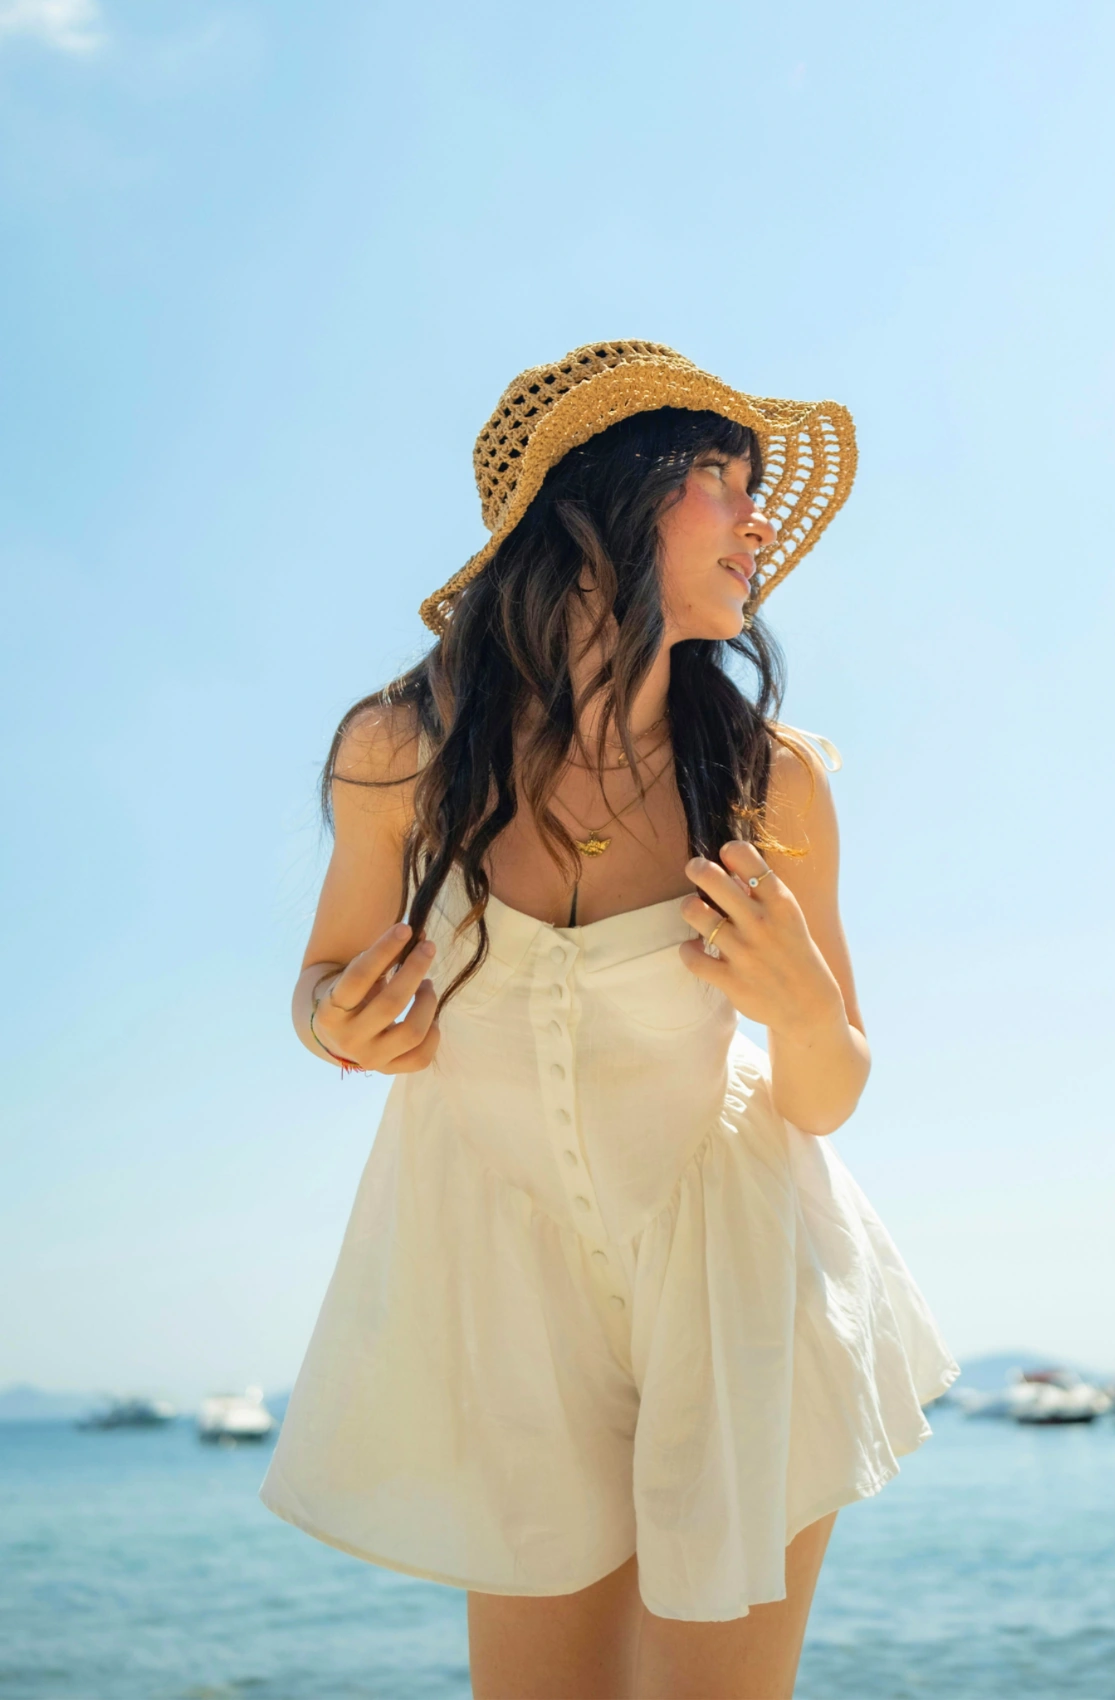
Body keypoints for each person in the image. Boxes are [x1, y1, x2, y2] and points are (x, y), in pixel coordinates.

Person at [259, 339, 959, 1700]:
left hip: (737, 1267)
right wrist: (342, 1020)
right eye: (720, 480)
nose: (757, 524)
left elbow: (826, 1091)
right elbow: (321, 985)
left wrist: (803, 1008)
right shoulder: (400, 752)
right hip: (503, 1270)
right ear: (600, 507)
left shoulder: (768, 782)